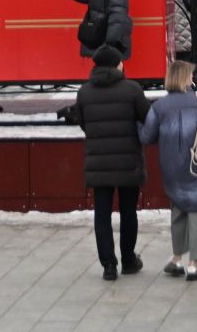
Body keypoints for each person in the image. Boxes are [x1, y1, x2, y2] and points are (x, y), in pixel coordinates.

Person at [63, 44, 149, 280]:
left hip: (98, 162)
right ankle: (129, 260)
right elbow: (146, 117)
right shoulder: (132, 89)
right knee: (128, 212)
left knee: (102, 214)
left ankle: (108, 265)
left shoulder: (84, 92)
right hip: (128, 161)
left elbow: (83, 123)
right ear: (117, 64)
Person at [140, 60, 197, 282]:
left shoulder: (159, 107)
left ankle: (177, 258)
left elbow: (147, 137)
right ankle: (193, 265)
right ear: (186, 78)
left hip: (172, 167)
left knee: (178, 209)